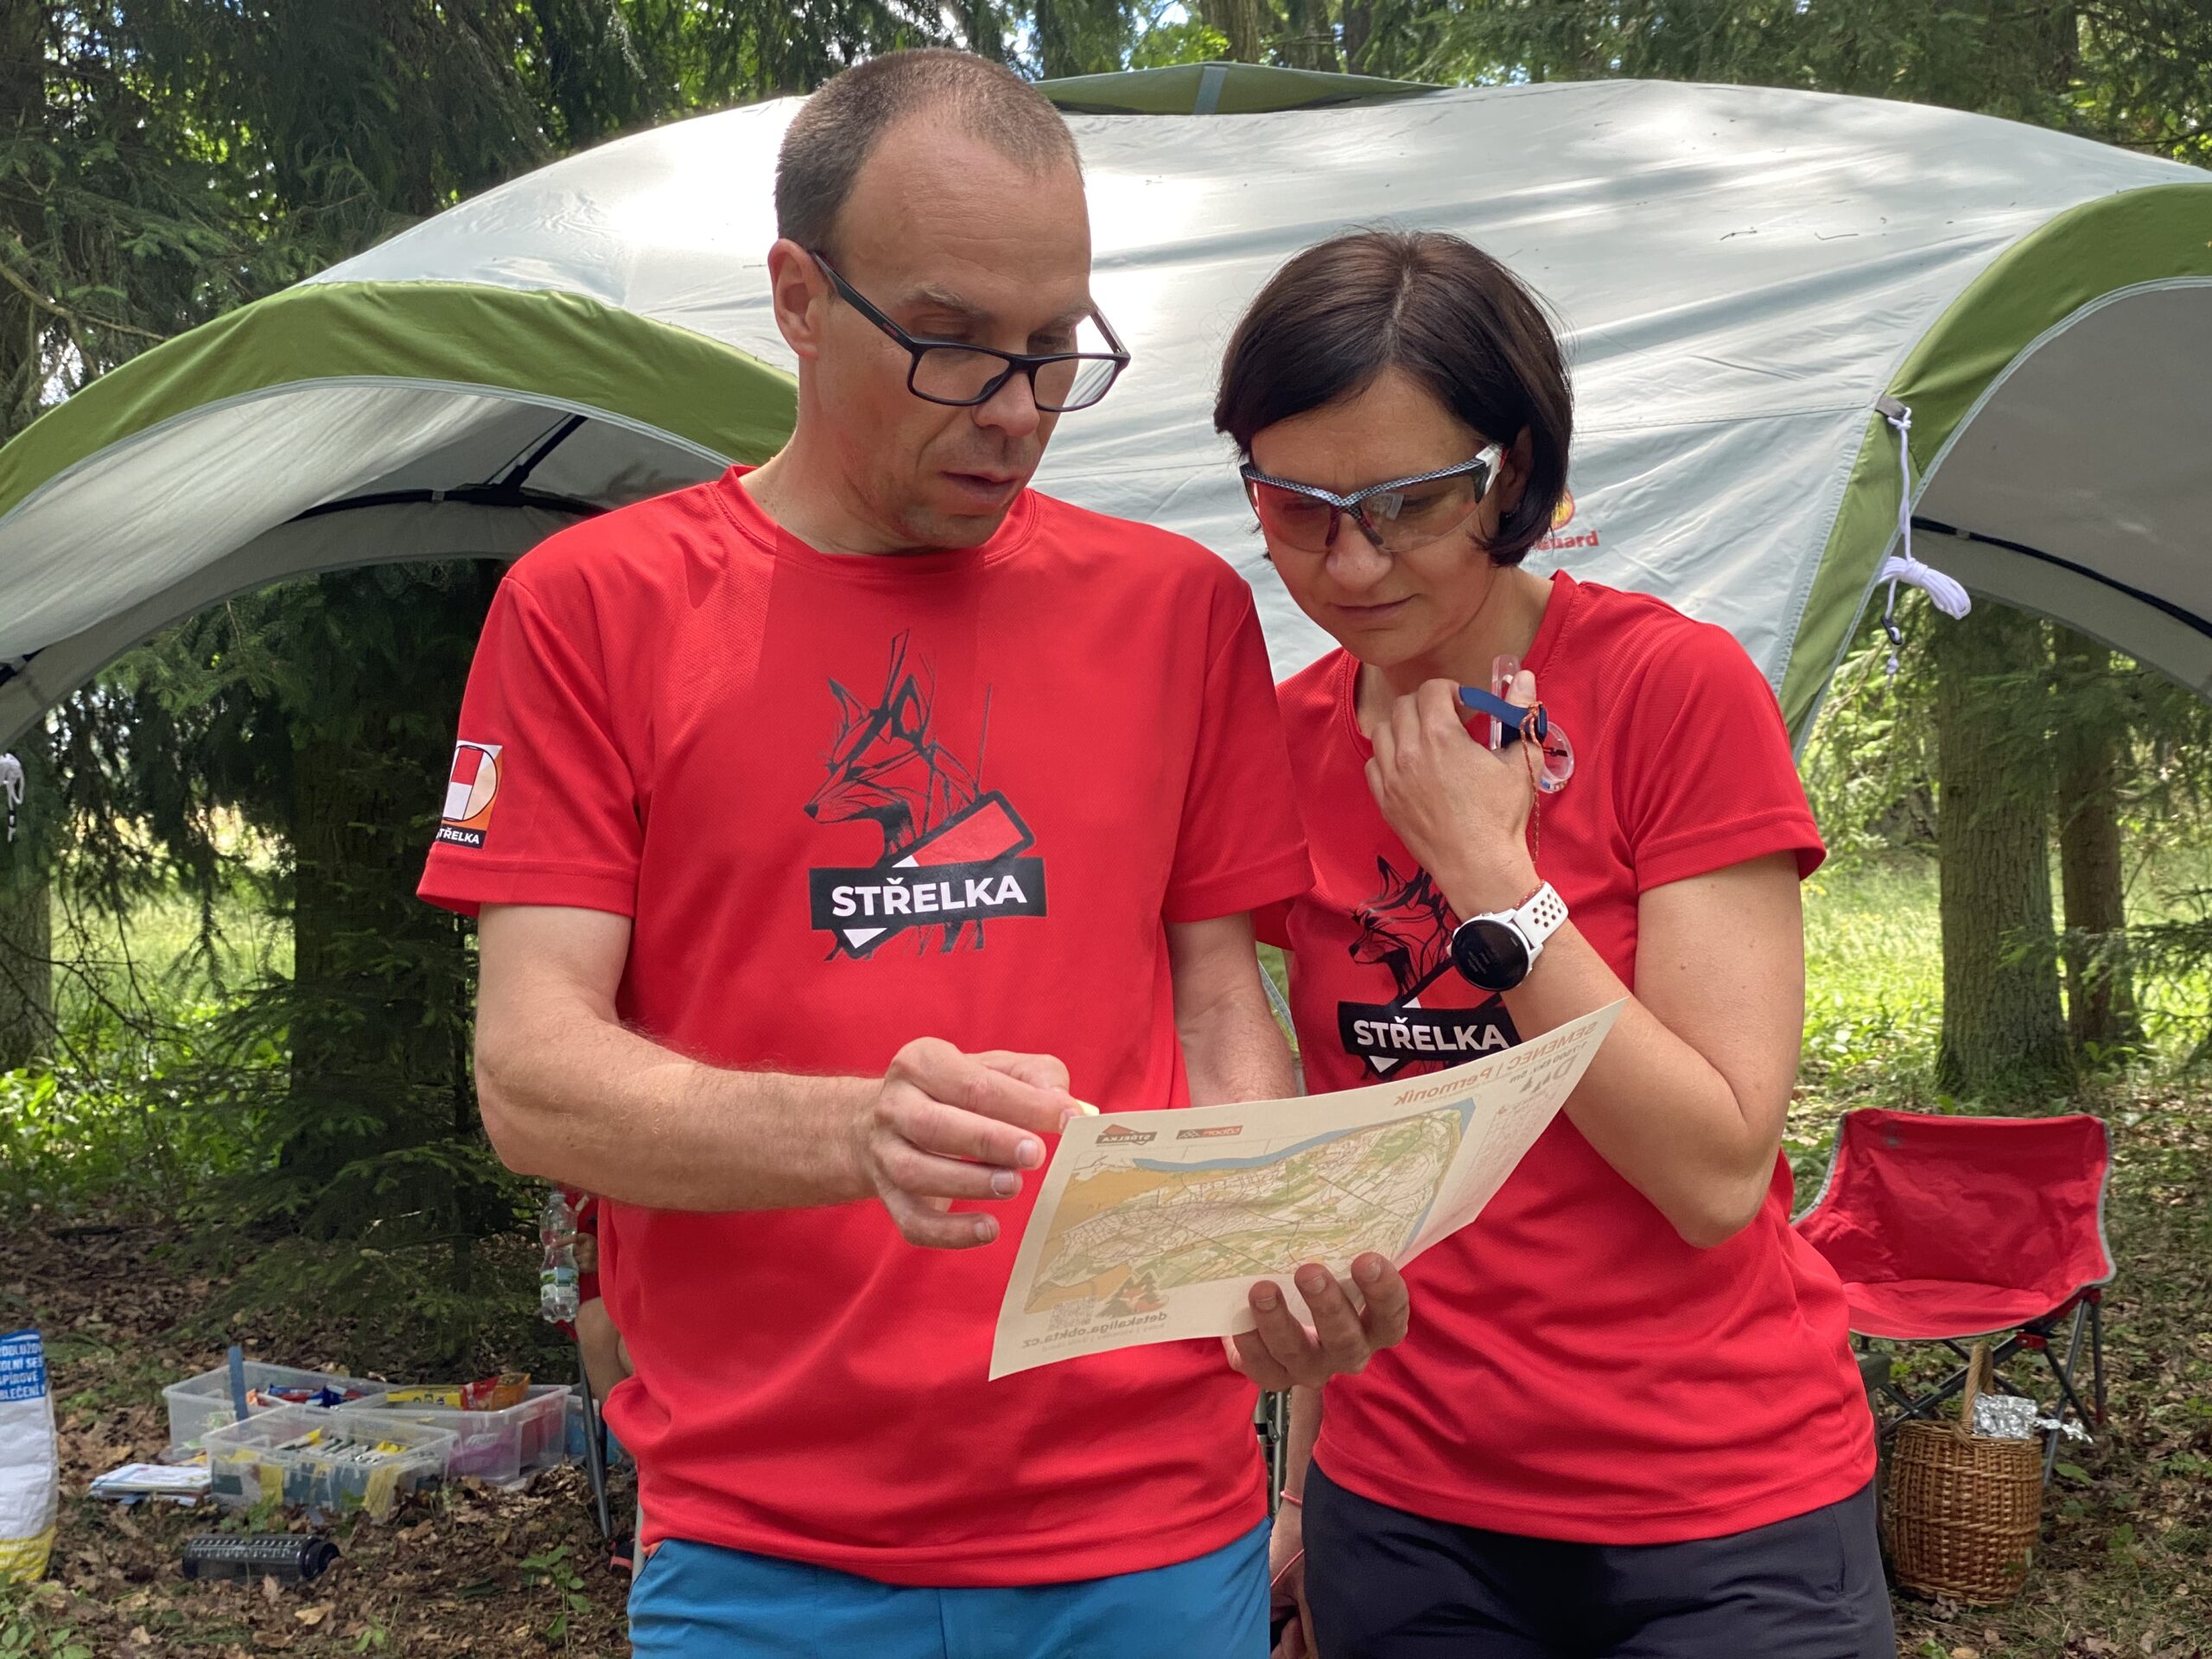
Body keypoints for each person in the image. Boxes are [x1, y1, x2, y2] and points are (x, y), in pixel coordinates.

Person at [418, 50, 1410, 1659]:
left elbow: (1218, 999)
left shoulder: (1175, 614)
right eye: (953, 344)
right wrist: (854, 1132)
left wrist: (1261, 1248)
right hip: (766, 1550)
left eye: (1054, 348)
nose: (1014, 410)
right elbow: (533, 1080)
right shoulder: (596, 610)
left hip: (1149, 1532)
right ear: (800, 300)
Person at [1217, 231, 1891, 1659]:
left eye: (1407, 504)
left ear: (1509, 474)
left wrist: (1489, 874)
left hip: (1720, 1501)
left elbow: (1712, 1174)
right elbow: (1347, 1153)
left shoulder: (1670, 692)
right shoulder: (1278, 744)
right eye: (1296, 508)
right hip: (1408, 1508)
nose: (1351, 561)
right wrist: (1303, 1492)